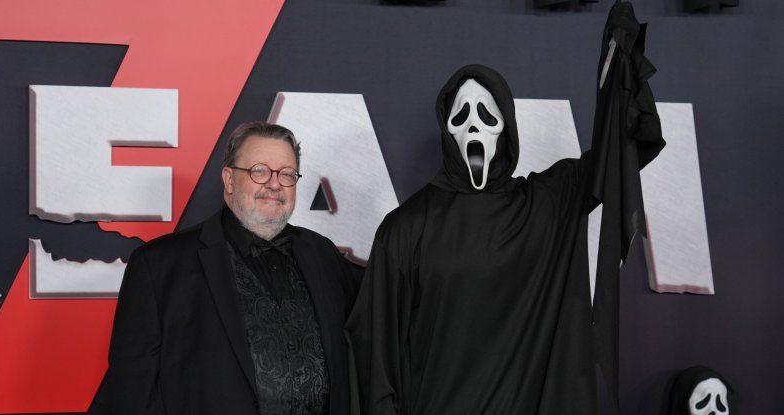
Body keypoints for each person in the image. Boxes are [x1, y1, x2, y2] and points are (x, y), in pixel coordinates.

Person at [344, 3, 665, 414]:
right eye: (461, 115)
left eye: (486, 113)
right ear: (446, 129)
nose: (474, 125)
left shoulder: (546, 202)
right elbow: (375, 352)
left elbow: (619, 156)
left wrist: (617, 70)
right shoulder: (406, 228)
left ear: (506, 125)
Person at [96, 122, 358, 414]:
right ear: (229, 180)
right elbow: (132, 392)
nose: (274, 184)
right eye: (259, 170)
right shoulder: (159, 266)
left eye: (286, 174)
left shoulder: (322, 255)